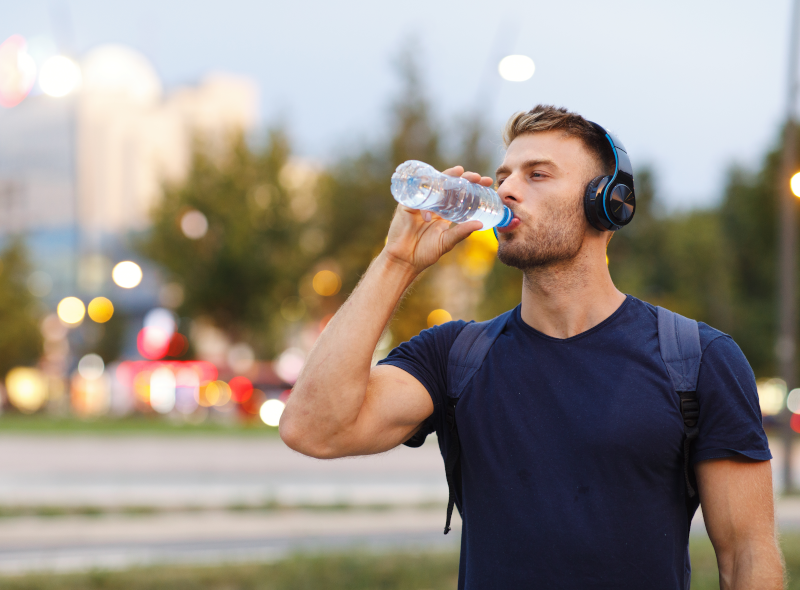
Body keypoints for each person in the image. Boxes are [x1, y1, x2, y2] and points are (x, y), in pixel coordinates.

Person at [280, 105, 783, 589]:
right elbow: (314, 429)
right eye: (504, 175)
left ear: (607, 202)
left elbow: (747, 555)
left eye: (537, 175)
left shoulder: (696, 359)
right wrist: (397, 260)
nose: (507, 189)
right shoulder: (455, 356)